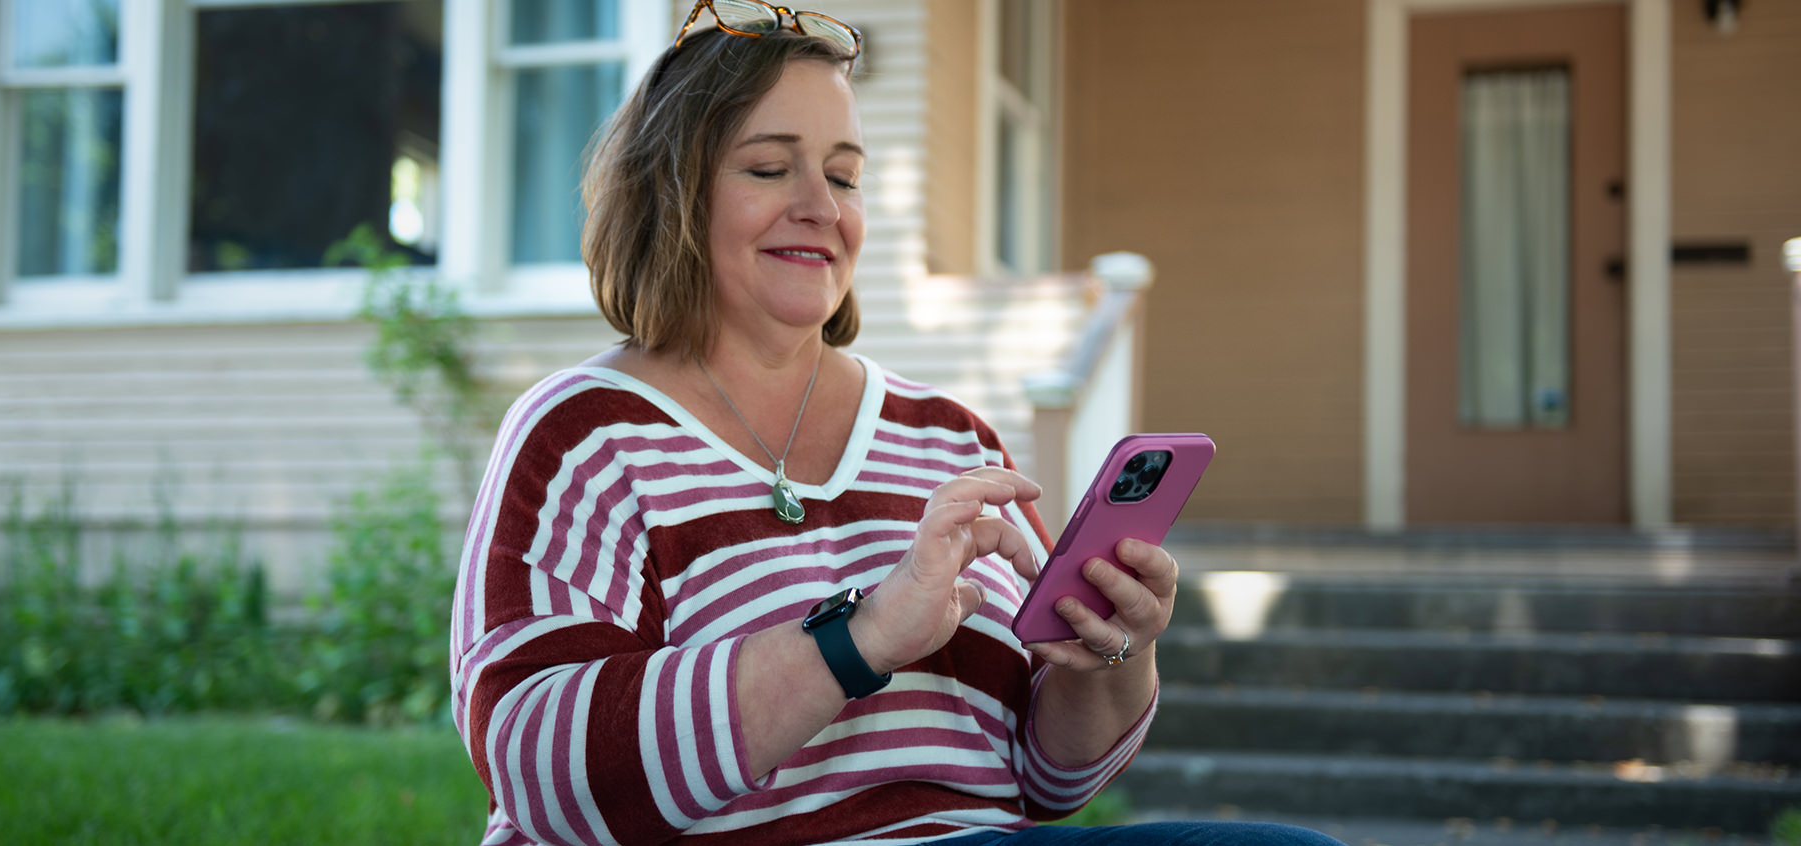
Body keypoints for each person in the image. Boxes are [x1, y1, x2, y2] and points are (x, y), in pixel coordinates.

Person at [449, 3, 1345, 845]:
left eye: (843, 175)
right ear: (671, 195)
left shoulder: (948, 436)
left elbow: (1044, 778)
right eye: (770, 168)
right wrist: (861, 637)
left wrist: (1109, 659)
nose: (823, 207)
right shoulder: (583, 434)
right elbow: (538, 769)